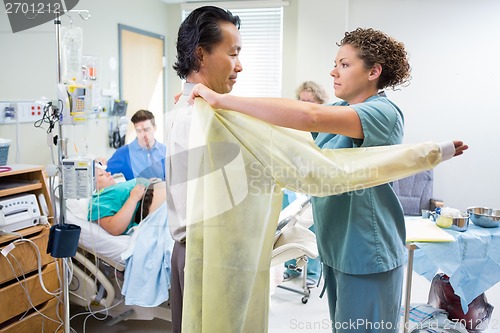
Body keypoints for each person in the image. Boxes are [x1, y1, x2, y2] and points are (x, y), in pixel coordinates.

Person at [169, 8, 467, 332]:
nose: (333, 71)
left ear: (373, 72)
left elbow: (309, 116)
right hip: (337, 251)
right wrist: (202, 104)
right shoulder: (340, 109)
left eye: (344, 64)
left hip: (369, 251)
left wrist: (221, 101)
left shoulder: (384, 113)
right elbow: (282, 128)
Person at [282, 80, 329, 287]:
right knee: (289, 226)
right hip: (295, 181)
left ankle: (311, 271)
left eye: (309, 101)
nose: (303, 104)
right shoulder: (295, 124)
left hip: (317, 183)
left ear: (320, 102)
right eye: (300, 100)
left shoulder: (328, 127)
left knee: (313, 229)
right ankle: (290, 267)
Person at [88, 167, 166, 236]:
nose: (109, 173)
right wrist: (133, 198)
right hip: (151, 202)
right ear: (91, 184)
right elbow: (114, 228)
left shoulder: (118, 187)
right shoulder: (98, 200)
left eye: (105, 171)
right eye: (101, 174)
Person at [101, 109, 166, 180]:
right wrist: (98, 164)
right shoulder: (123, 153)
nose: (143, 134)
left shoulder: (166, 151)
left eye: (147, 129)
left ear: (155, 128)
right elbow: (102, 174)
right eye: (139, 131)